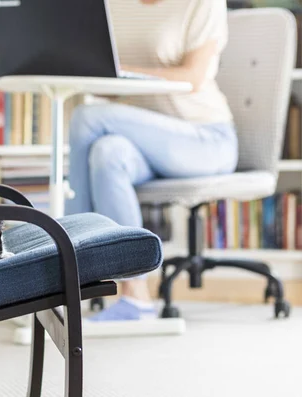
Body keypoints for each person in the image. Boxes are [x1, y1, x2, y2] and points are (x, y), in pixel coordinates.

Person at [65, 0, 238, 322]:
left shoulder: (203, 3)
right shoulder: (114, 6)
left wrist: (122, 74)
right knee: (107, 152)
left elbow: (193, 77)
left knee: (86, 117)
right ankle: (137, 294)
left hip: (203, 139)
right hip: (139, 144)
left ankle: (70, 264)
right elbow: (111, 87)